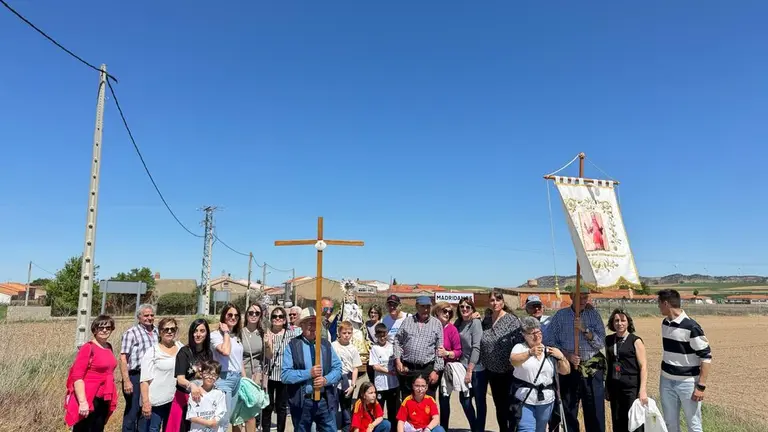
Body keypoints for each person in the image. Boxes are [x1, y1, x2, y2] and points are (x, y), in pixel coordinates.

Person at [544, 290, 606, 432]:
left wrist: (585, 330)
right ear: (571, 297)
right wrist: (567, 355)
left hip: (591, 369)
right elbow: (549, 341)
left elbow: (600, 343)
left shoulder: (593, 315)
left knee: (594, 410)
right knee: (569, 409)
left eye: (586, 296)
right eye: (580, 296)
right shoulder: (560, 316)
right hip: (568, 368)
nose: (584, 299)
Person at [657, 289, 712, 432]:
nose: (658, 307)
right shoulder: (665, 323)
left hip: (687, 383)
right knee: (670, 424)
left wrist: (701, 386)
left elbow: (706, 357)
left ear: (666, 303)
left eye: (659, 303)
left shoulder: (692, 327)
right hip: (666, 381)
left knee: (693, 424)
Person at [281, 306, 343, 432]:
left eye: (316, 323)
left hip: (324, 401)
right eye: (309, 323)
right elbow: (285, 375)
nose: (313, 327)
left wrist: (326, 380)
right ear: (302, 326)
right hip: (303, 401)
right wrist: (308, 373)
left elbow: (338, 368)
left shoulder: (325, 345)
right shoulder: (292, 346)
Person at [509, 317, 570, 432]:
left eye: (538, 332)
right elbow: (513, 360)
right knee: (526, 429)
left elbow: (565, 371)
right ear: (524, 335)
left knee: (540, 429)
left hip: (546, 400)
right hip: (525, 398)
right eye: (532, 333)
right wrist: (529, 353)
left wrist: (561, 357)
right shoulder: (520, 348)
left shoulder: (550, 351)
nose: (536, 336)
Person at [65, 315, 119, 432]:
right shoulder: (88, 347)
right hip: (89, 395)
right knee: (84, 428)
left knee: (98, 428)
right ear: (94, 330)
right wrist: (83, 402)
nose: (104, 330)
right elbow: (77, 377)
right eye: (101, 328)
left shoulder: (108, 347)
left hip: (104, 395)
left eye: (108, 328)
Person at [479, 289, 523, 432]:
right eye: (492, 300)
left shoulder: (512, 320)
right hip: (491, 371)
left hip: (508, 371)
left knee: (511, 406)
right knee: (499, 406)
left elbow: (519, 343)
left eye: (498, 300)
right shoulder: (486, 320)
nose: (495, 303)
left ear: (503, 302)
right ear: (489, 302)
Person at [605, 308, 649, 432]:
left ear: (628, 322)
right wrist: (607, 387)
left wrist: (642, 390)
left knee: (634, 421)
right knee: (617, 420)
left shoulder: (636, 341)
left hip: (631, 388)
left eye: (623, 320)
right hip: (614, 387)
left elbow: (643, 366)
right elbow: (608, 364)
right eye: (616, 320)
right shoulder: (608, 340)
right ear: (612, 323)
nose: (620, 323)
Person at [394, 296, 444, 400]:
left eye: (428, 307)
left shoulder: (436, 323)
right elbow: (397, 341)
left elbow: (439, 349)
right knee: (407, 400)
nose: (425, 309)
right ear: (417, 306)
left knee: (427, 403)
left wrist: (436, 371)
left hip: (427, 369)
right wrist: (398, 361)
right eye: (422, 306)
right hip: (408, 369)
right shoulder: (407, 321)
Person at [139, 317, 184, 432]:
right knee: (153, 429)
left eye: (172, 329)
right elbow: (144, 380)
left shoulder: (180, 347)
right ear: (160, 332)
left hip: (175, 400)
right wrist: (146, 402)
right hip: (156, 402)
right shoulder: (153, 351)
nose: (169, 332)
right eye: (166, 329)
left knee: (171, 429)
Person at [120, 305, 159, 432]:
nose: (149, 318)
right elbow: (123, 358)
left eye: (152, 315)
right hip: (135, 376)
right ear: (139, 317)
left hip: (152, 376)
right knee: (133, 411)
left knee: (146, 410)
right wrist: (126, 380)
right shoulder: (131, 333)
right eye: (146, 315)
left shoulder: (158, 332)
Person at [169, 319, 213, 432]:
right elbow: (180, 379)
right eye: (195, 331)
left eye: (202, 331)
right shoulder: (184, 352)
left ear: (207, 333)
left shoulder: (208, 353)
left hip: (201, 402)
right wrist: (192, 386)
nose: (198, 334)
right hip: (183, 400)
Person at [523, 295, 557, 431]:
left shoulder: (551, 321)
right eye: (533, 306)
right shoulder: (523, 324)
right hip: (532, 370)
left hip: (550, 368)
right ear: (527, 309)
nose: (536, 308)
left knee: (555, 410)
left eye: (538, 305)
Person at [210, 303, 245, 431]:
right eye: (230, 314)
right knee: (222, 420)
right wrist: (225, 332)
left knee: (233, 418)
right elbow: (225, 351)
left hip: (237, 379)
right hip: (224, 378)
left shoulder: (236, 336)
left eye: (236, 315)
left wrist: (244, 380)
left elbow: (239, 361)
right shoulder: (216, 335)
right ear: (224, 316)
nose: (233, 317)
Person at [454, 297, 485, 432]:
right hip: (462, 366)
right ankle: (475, 428)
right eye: (462, 307)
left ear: (472, 309)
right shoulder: (459, 323)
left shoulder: (476, 322)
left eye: (468, 307)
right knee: (465, 400)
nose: (465, 309)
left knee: (479, 402)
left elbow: (476, 346)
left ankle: (479, 429)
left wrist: (470, 370)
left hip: (477, 369)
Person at [262, 306, 296, 432]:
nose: (277, 319)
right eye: (274, 316)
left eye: (280, 316)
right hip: (268, 375)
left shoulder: (290, 335)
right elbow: (267, 356)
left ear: (285, 320)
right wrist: (267, 343)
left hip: (283, 375)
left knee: (281, 407)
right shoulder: (266, 334)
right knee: (267, 406)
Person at [432, 302, 462, 431]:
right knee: (429, 400)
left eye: (450, 312)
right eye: (444, 311)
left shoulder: (452, 329)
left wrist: (447, 353)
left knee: (444, 401)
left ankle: (443, 428)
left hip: (445, 370)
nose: (447, 314)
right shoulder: (430, 326)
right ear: (437, 311)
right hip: (430, 368)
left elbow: (458, 351)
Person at [333, 321, 364, 432]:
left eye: (349, 333)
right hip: (335, 379)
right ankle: (333, 427)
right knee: (333, 405)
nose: (346, 335)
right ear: (339, 333)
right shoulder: (333, 346)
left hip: (348, 380)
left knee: (346, 406)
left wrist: (353, 385)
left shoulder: (353, 349)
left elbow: (355, 368)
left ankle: (347, 427)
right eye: (344, 332)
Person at [368, 322, 400, 426]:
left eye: (384, 335)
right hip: (381, 385)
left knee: (393, 410)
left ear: (387, 334)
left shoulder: (392, 347)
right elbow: (375, 366)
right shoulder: (374, 348)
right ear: (376, 336)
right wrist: (388, 371)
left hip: (393, 384)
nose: (382, 338)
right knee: (379, 411)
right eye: (380, 336)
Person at [241, 302, 266, 432]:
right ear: (246, 315)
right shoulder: (240, 333)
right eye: (251, 312)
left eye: (257, 313)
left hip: (256, 376)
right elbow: (237, 356)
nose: (253, 315)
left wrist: (268, 343)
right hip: (242, 376)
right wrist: (244, 378)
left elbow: (268, 356)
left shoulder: (262, 333)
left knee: (251, 414)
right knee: (239, 414)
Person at [186, 360, 227, 432]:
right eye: (207, 373)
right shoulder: (195, 393)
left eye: (214, 375)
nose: (210, 377)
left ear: (217, 377)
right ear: (201, 374)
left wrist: (214, 422)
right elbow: (191, 416)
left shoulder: (220, 394)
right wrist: (208, 423)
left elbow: (221, 413)